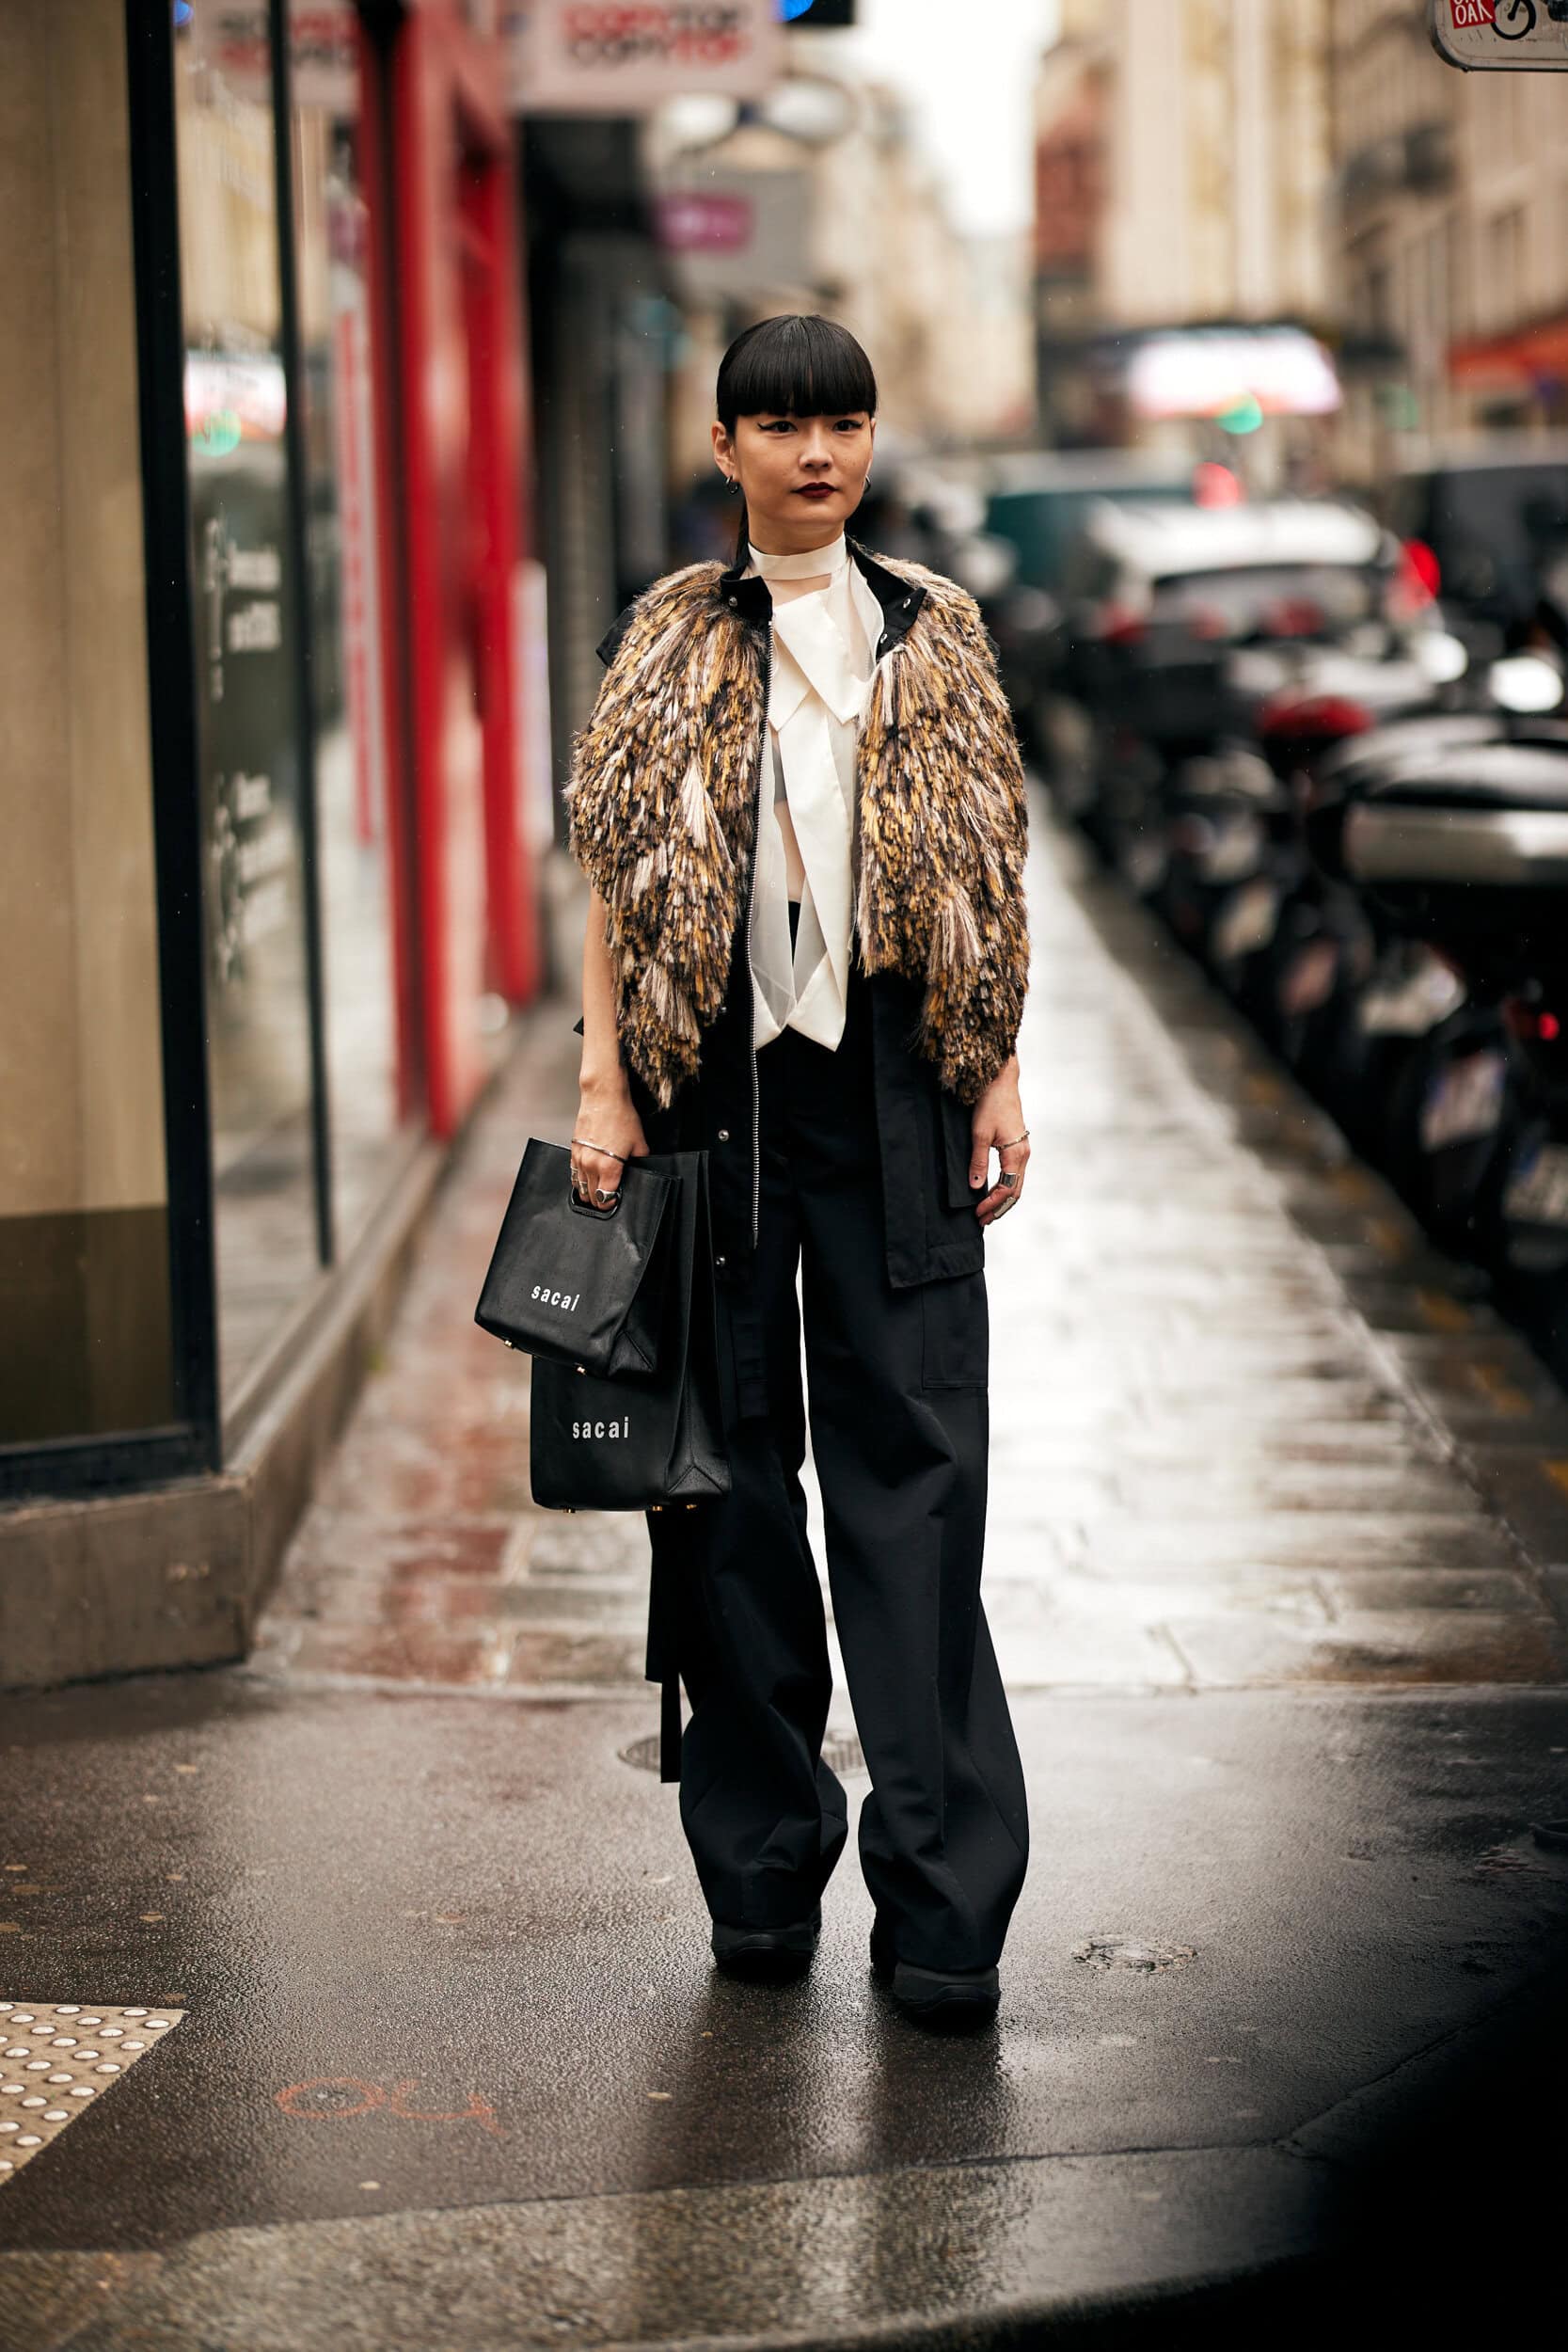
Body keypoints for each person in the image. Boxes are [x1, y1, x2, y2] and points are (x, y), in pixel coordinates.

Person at [564, 314, 1032, 2029]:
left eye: (842, 423)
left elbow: (984, 863)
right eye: (782, 427)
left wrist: (989, 1071)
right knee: (730, 1498)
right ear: (726, 449)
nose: (817, 453)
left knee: (914, 1490)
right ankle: (761, 1871)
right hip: (713, 1114)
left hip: (895, 1103)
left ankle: (944, 1906)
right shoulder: (671, 643)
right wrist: (605, 1087)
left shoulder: (941, 634)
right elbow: (614, 879)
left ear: (872, 441)